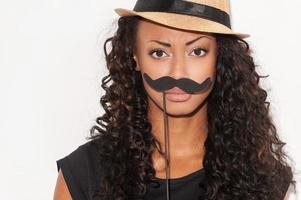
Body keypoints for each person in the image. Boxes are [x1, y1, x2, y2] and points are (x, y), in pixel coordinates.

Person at [53, 0, 296, 199]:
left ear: (220, 58)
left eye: (197, 51)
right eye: (159, 53)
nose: (178, 72)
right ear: (135, 56)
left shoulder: (261, 179)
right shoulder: (85, 173)